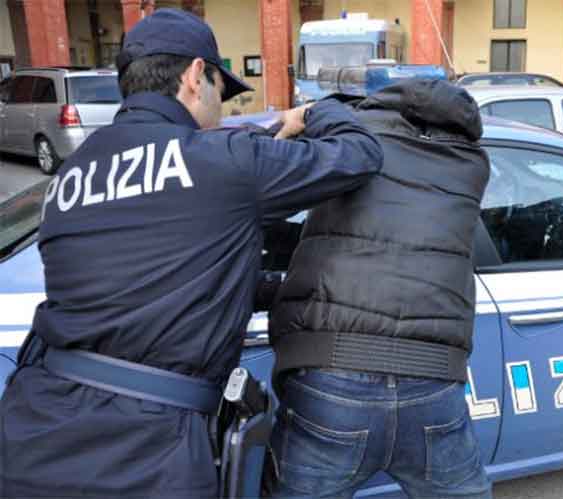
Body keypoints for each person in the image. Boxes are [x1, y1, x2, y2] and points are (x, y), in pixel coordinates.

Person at [0, 8, 382, 498]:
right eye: (221, 93)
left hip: (32, 432)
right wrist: (314, 113)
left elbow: (169, 250)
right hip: (145, 455)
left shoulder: (72, 174)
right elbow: (360, 154)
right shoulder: (224, 163)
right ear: (196, 75)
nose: (220, 110)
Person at [266, 79, 492, 498]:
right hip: (433, 380)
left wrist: (311, 115)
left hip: (330, 373)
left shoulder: (349, 141)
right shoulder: (473, 163)